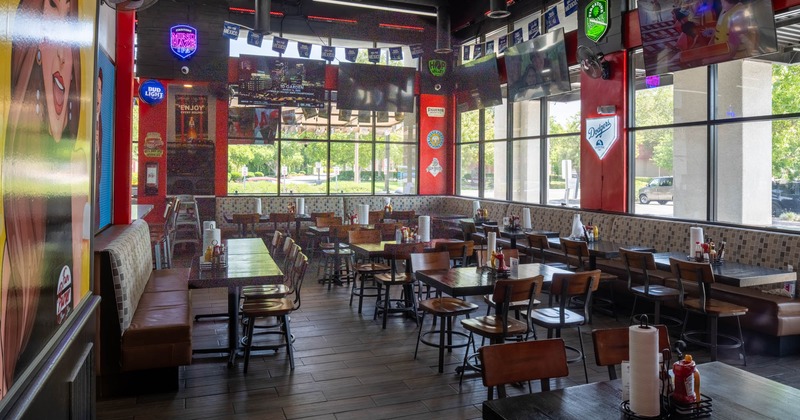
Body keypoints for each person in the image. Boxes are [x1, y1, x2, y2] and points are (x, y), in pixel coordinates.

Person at [3, 0, 87, 397]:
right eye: (50, 35)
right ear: (33, 51)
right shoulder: (18, 205)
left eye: (69, 41)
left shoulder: (73, 176)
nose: (63, 58)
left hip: (63, 366)